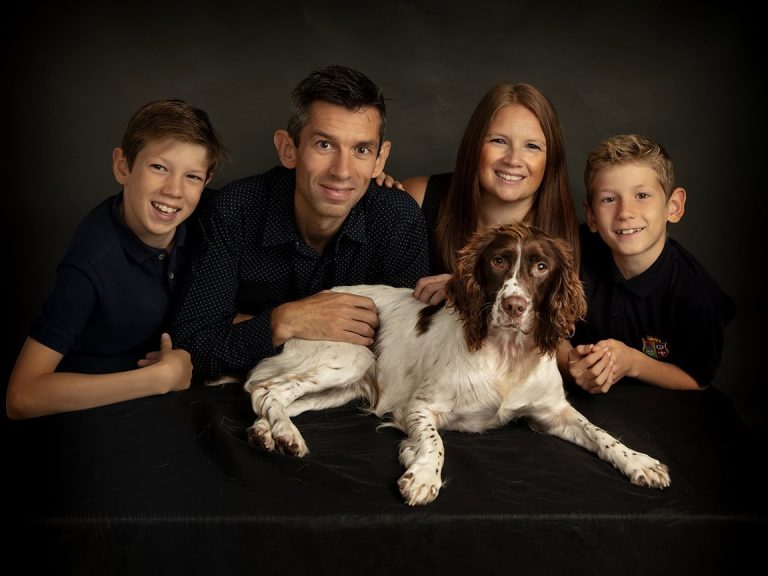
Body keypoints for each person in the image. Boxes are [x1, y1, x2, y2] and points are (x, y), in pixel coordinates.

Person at [171, 65, 429, 383]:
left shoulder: (397, 219)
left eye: (361, 150)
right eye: (324, 145)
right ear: (288, 149)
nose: (342, 171)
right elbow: (191, 348)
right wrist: (284, 322)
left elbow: (404, 356)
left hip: (353, 416)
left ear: (379, 159)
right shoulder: (235, 210)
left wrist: (247, 329)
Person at [6, 98, 226, 419]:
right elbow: (22, 397)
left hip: (173, 402)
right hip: (95, 410)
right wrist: (157, 379)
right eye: (159, 167)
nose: (174, 190)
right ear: (123, 166)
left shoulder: (211, 216)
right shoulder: (91, 262)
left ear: (205, 182)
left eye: (191, 176)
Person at [559, 134, 736, 393]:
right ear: (592, 216)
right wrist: (569, 362)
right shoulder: (570, 254)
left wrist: (633, 363)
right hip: (579, 406)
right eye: (609, 199)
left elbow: (697, 379)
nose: (625, 212)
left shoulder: (697, 294)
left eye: (642, 195)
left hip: (661, 413)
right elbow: (541, 327)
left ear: (673, 207)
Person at [380, 82, 579, 304]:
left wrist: (469, 289)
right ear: (475, 145)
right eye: (499, 141)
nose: (513, 160)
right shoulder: (417, 197)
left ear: (551, 159)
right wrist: (372, 193)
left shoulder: (569, 239)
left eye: (532, 146)